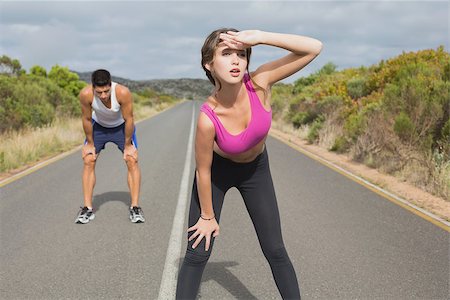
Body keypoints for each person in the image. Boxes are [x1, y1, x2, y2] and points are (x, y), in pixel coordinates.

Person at [176, 29, 322, 299]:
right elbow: (203, 171)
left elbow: (314, 47)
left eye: (241, 54)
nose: (235, 61)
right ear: (208, 63)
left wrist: (260, 36)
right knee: (198, 251)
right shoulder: (208, 117)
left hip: (255, 171)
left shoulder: (261, 82)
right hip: (217, 173)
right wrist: (207, 217)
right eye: (226, 53)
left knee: (275, 249)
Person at [75, 69, 145, 224]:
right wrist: (90, 143)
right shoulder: (86, 94)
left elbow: (129, 119)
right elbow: (86, 119)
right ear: (93, 87)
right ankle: (87, 208)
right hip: (98, 127)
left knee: (131, 159)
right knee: (88, 159)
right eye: (99, 92)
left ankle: (135, 207)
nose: (103, 96)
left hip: (121, 127)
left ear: (110, 85)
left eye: (106, 91)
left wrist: (128, 145)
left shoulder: (122, 92)